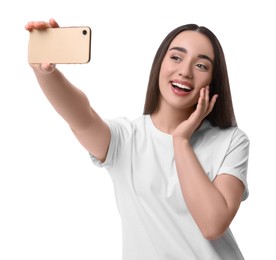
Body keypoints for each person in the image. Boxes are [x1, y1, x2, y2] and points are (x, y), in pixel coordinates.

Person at [25, 18, 250, 260]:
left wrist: (181, 140)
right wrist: (45, 73)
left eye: (201, 66)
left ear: (213, 81)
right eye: (176, 57)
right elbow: (82, 117)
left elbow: (212, 224)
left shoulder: (231, 141)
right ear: (159, 65)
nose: (185, 71)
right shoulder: (127, 139)